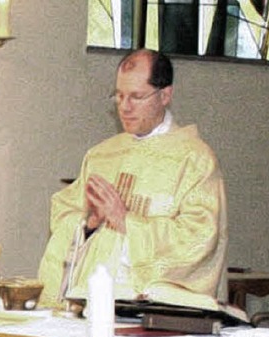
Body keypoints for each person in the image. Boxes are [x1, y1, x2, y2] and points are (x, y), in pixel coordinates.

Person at [38, 49, 228, 309]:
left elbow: (200, 239)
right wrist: (88, 224)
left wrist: (125, 221)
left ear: (165, 95)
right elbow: (64, 215)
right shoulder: (101, 155)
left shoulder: (194, 159)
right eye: (119, 95)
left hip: (151, 314)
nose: (124, 107)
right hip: (91, 306)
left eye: (137, 97)